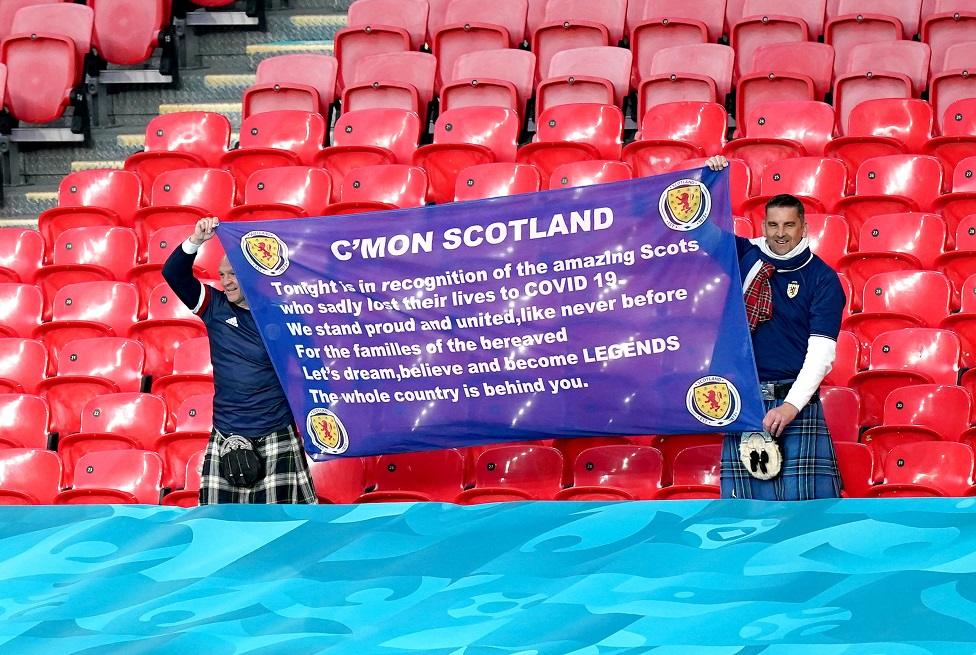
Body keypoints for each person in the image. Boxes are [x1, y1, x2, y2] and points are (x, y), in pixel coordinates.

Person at [705, 155, 845, 500]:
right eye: (772, 225)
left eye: (788, 225)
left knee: (808, 520)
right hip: (746, 401)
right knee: (745, 518)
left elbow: (821, 354)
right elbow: (697, 230)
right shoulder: (745, 254)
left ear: (804, 228)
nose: (780, 234)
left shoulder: (823, 279)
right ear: (763, 225)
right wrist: (708, 179)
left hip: (794, 402)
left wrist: (791, 406)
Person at [163, 216, 317, 504]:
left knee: (281, 531)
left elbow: (310, 365)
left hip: (275, 430)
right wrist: (196, 241)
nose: (226, 282)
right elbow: (173, 274)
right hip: (226, 432)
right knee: (218, 528)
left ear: (251, 275)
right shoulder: (214, 306)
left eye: (232, 275)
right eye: (222, 276)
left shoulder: (281, 315)